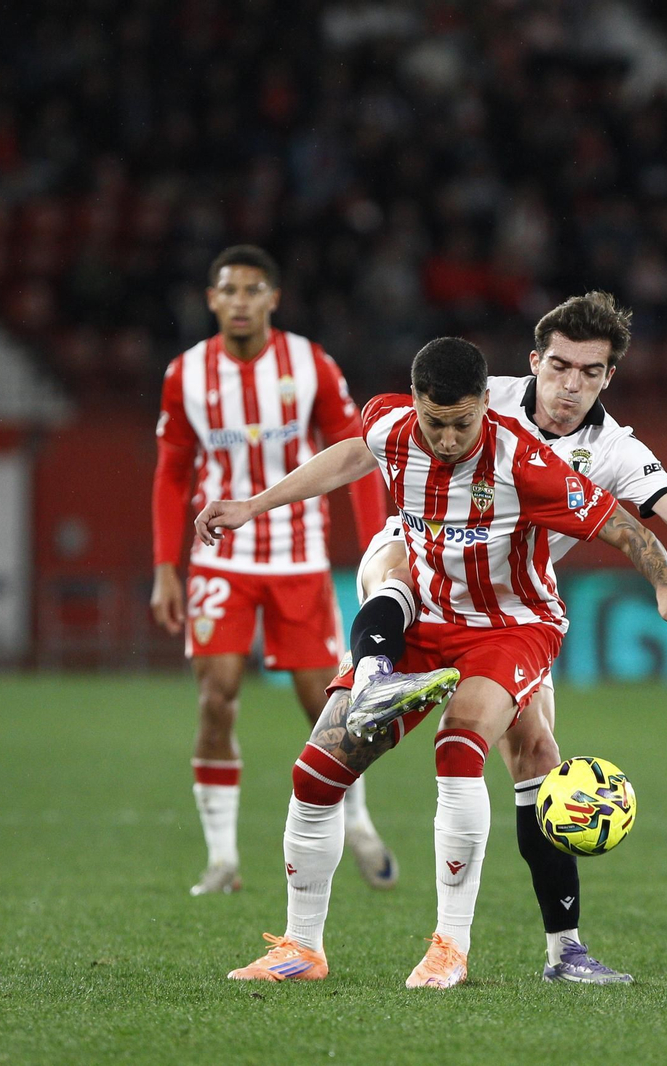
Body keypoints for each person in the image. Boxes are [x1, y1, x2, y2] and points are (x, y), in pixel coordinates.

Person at [196, 336, 667, 987]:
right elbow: (345, 459)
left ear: (486, 404)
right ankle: (301, 948)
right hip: (426, 618)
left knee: (460, 745)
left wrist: (664, 582)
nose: (447, 438)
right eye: (434, 422)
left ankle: (450, 947)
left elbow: (623, 523)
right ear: (415, 403)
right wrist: (254, 505)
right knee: (314, 775)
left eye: (462, 423)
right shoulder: (391, 425)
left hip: (510, 628)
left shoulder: (523, 460)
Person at [343, 291, 667, 982]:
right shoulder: (480, 397)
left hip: (510, 612)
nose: (571, 385)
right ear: (534, 361)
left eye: (590, 372)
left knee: (537, 758)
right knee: (393, 565)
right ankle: (374, 674)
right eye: (560, 367)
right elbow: (379, 432)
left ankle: (566, 952)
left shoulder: (614, 450)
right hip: (427, 569)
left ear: (609, 376)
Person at [150, 245, 393, 897]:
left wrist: (377, 547)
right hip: (219, 560)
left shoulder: (310, 366)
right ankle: (223, 858)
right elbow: (173, 472)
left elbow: (360, 455)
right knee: (216, 696)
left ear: (273, 299)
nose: (239, 301)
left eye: (253, 290)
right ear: (211, 299)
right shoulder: (186, 375)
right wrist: (164, 568)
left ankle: (360, 823)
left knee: (326, 705)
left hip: (297, 558)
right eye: (228, 290)